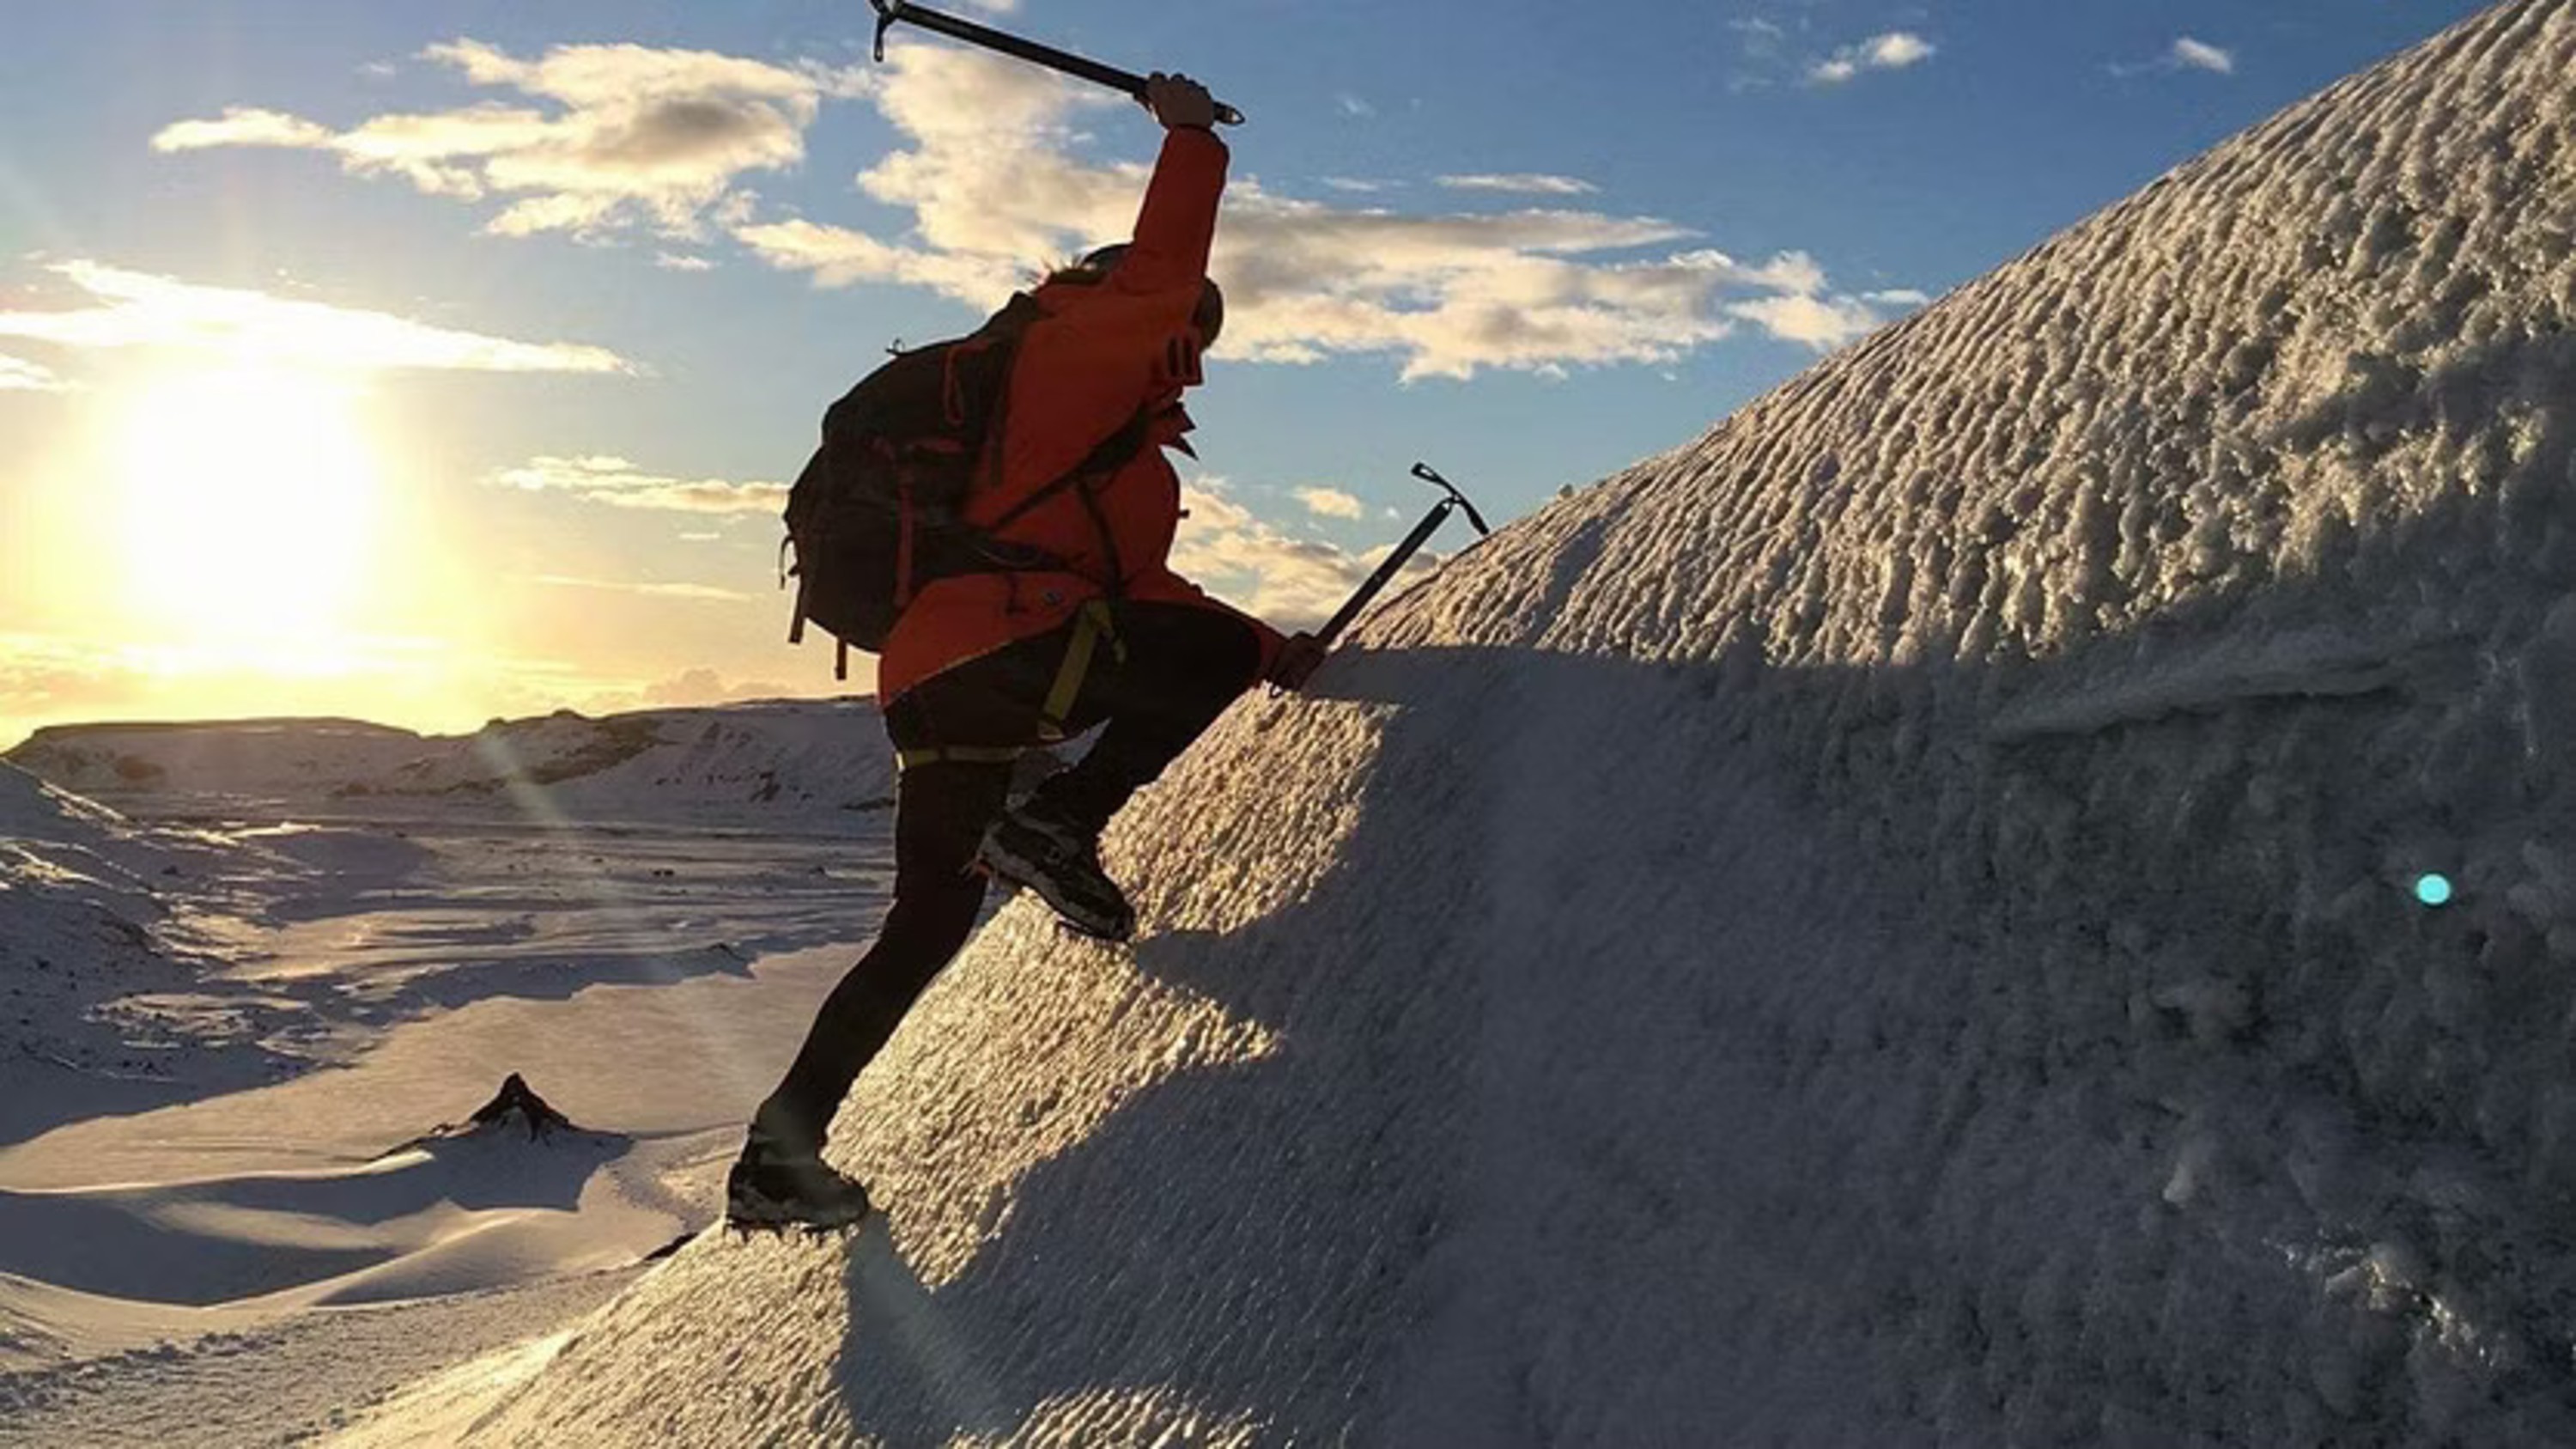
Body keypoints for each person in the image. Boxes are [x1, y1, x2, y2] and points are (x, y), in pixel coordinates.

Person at [727, 72, 1329, 1229]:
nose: (1191, 346)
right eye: (1188, 327)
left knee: (925, 925)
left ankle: (776, 1155)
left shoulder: (1116, 456)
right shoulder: (1068, 352)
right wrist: (1194, 143)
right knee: (1195, 661)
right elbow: (1158, 276)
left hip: (942, 680)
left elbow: (1142, 592)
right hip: (1001, 652)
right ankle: (1055, 823)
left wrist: (1269, 651)